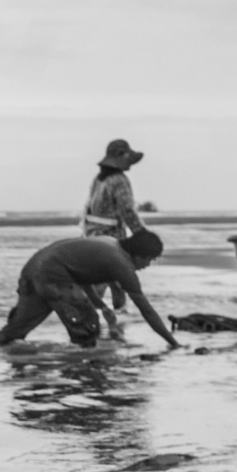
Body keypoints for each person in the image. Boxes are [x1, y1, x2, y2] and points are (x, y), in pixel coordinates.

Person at [0, 230, 179, 350]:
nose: (148, 265)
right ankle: (83, 372)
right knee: (88, 328)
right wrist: (174, 343)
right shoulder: (122, 265)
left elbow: (81, 276)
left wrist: (100, 305)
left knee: (13, 332)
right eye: (149, 260)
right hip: (51, 274)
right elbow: (146, 310)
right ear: (139, 255)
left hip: (34, 268)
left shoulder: (110, 243)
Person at [81, 138, 145, 339]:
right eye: (127, 157)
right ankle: (93, 324)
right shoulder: (119, 180)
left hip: (92, 236)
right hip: (111, 240)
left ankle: (115, 325)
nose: (129, 164)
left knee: (116, 284)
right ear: (120, 156)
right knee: (108, 281)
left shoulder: (99, 180)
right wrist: (142, 235)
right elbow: (127, 210)